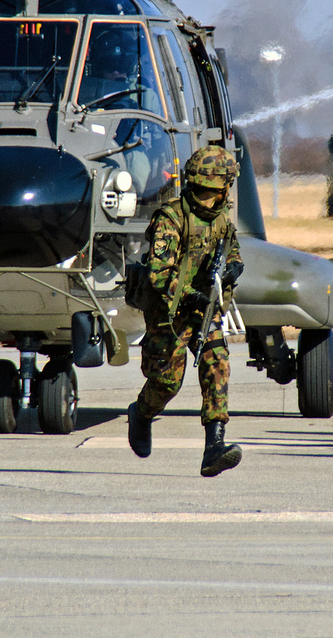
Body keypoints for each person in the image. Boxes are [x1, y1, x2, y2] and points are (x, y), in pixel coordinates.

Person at [126, 145, 244, 477]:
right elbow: (159, 275)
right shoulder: (172, 218)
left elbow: (232, 252)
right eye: (204, 190)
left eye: (213, 190)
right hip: (170, 315)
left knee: (216, 363)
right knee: (166, 383)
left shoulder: (221, 218)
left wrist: (233, 270)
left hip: (205, 312)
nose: (209, 196)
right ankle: (142, 413)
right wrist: (192, 295)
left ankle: (214, 447)